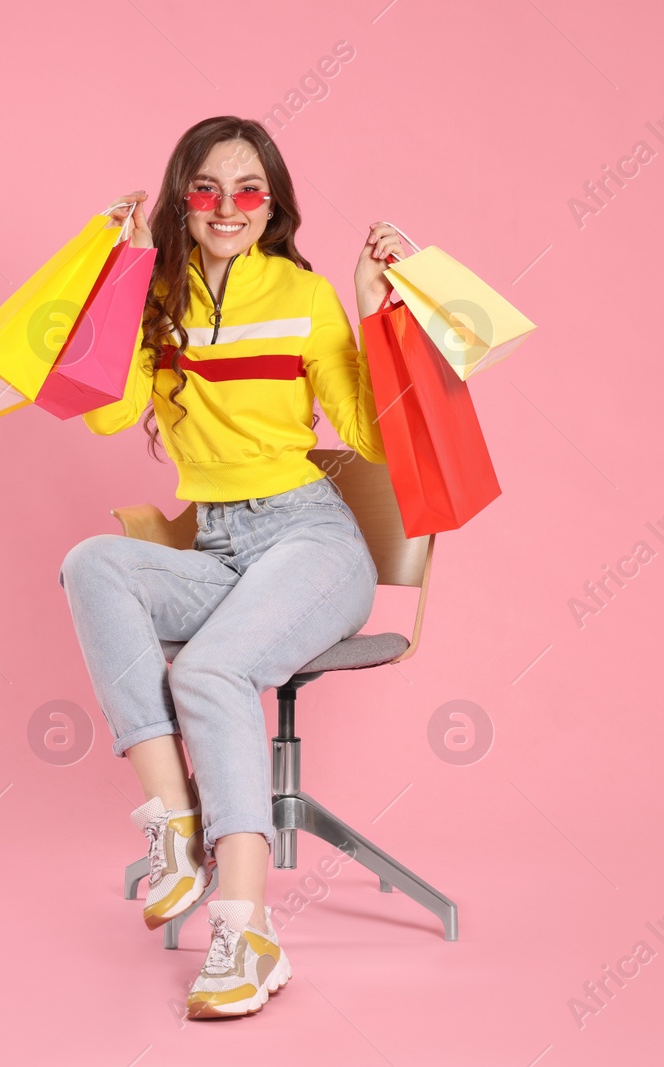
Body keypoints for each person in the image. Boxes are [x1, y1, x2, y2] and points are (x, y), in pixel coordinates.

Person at [58, 114, 407, 1019]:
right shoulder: (158, 300)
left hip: (313, 544)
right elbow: (103, 415)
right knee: (92, 562)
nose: (227, 207)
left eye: (248, 190)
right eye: (205, 189)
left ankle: (246, 928)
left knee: (212, 669)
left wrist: (373, 307)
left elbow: (371, 434)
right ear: (181, 199)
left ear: (272, 203)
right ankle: (177, 822)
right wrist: (119, 275)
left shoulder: (303, 293)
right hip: (220, 547)